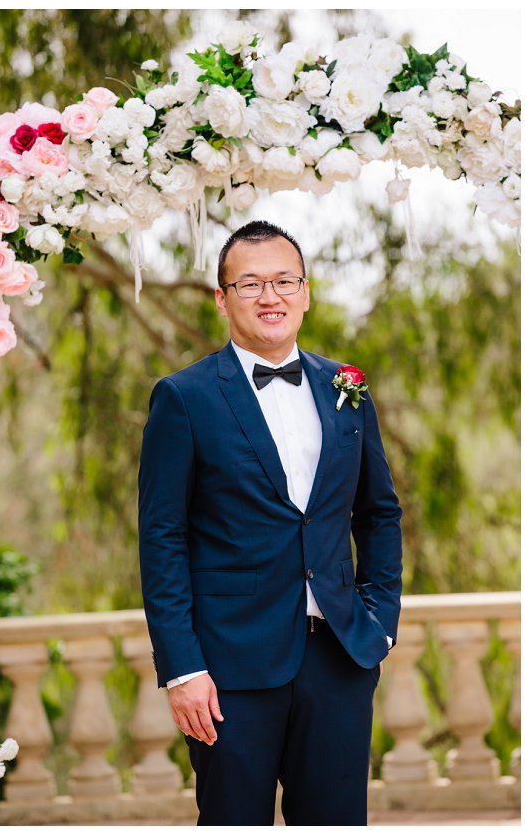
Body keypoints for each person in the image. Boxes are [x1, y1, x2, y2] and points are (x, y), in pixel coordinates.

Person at [137, 220, 403, 825]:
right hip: (228, 669)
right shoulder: (183, 397)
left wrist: (379, 622)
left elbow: (379, 513)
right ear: (222, 297)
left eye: (284, 281)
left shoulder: (348, 388)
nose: (270, 296)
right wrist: (182, 667)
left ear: (306, 292)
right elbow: (163, 539)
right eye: (250, 283)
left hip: (339, 658)